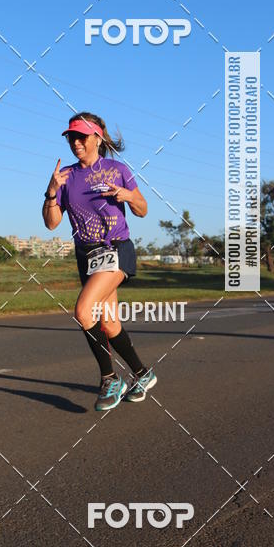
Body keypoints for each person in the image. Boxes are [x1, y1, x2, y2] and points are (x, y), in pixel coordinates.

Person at [42, 112, 157, 411]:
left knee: (83, 311)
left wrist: (128, 195)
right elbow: (52, 224)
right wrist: (52, 193)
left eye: (81, 136)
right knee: (109, 322)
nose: (76, 142)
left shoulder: (118, 169)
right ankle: (143, 374)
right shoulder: (65, 177)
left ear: (98, 137)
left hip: (117, 249)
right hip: (87, 255)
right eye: (71, 137)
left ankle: (109, 378)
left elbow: (143, 209)